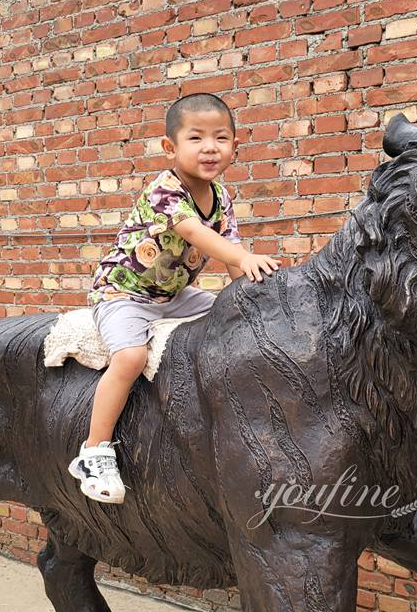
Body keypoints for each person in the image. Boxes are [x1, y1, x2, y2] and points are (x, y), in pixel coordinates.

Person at [69, 92, 280, 504]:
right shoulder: (165, 189)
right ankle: (94, 450)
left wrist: (250, 294)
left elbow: (231, 251)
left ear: (235, 145)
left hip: (174, 294)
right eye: (196, 138)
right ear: (171, 147)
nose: (210, 148)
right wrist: (244, 257)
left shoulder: (222, 197)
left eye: (221, 138)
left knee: (231, 312)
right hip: (124, 293)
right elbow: (199, 236)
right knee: (129, 357)